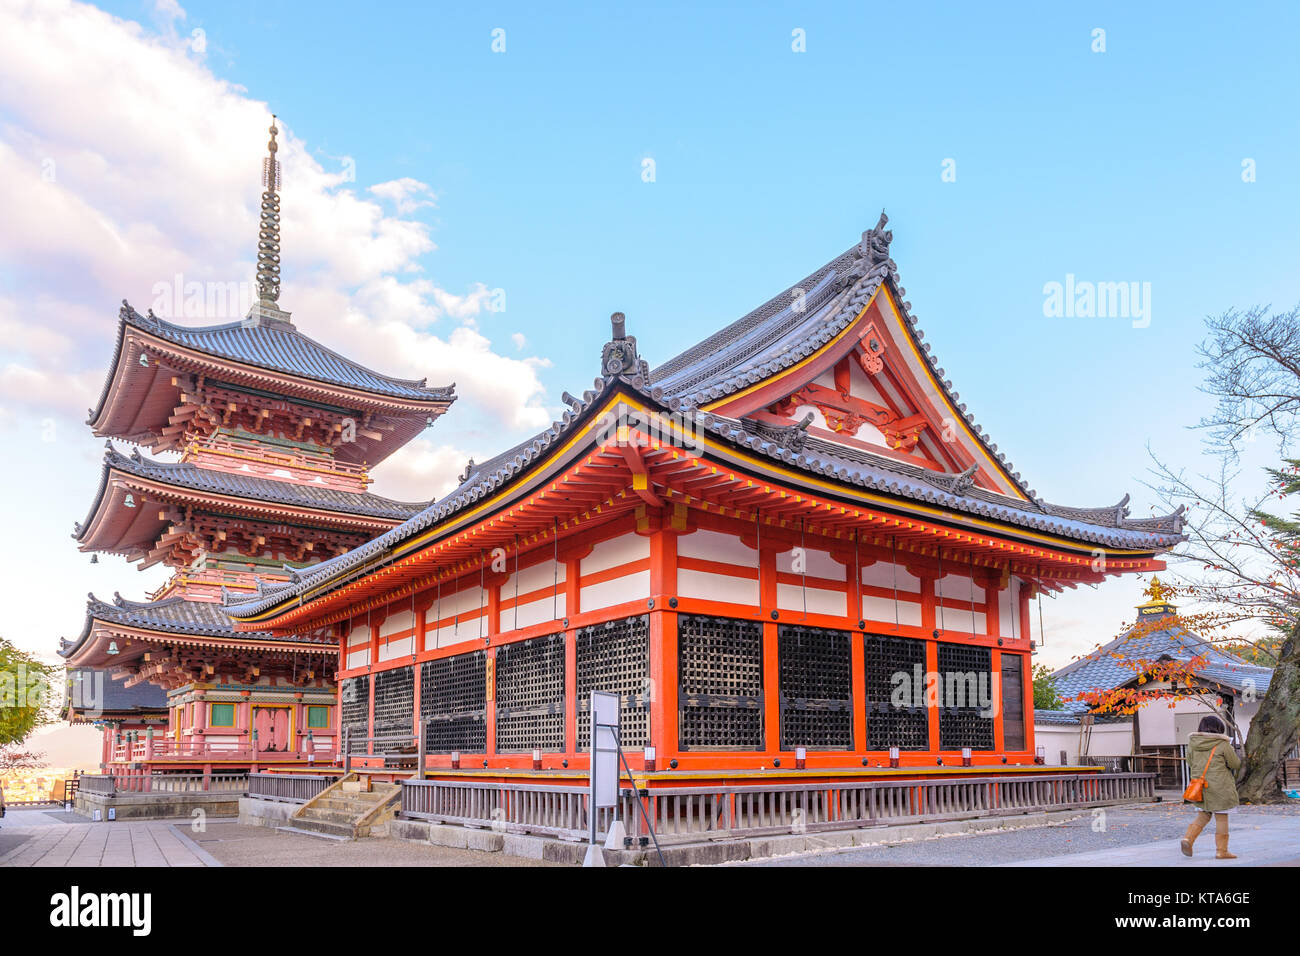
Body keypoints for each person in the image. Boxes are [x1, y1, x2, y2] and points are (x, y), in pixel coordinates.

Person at [1180, 714, 1242, 860]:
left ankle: (1188, 839)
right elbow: (1235, 764)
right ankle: (1222, 851)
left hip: (1200, 786)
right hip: (1220, 786)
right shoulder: (1223, 744)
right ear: (1219, 728)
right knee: (1221, 818)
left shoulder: (1193, 744)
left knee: (1203, 815)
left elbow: (1190, 763)